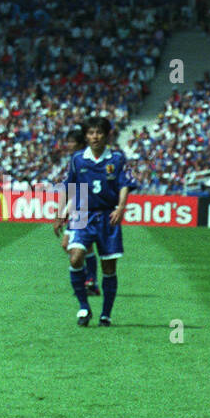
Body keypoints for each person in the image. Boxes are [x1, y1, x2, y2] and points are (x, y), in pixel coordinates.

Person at [53, 117, 137, 326]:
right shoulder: (78, 159)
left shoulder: (117, 158)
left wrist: (120, 207)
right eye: (90, 133)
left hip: (107, 215)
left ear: (107, 134)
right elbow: (68, 185)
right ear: (86, 136)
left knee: (109, 268)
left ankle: (106, 314)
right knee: (75, 258)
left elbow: (125, 184)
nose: (94, 136)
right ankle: (83, 308)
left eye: (98, 132)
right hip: (82, 214)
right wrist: (60, 212)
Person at [56, 127, 99, 297]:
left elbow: (79, 188)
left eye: (72, 141)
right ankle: (89, 279)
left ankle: (90, 281)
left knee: (80, 246)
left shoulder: (83, 160)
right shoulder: (76, 160)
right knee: (69, 245)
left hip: (85, 208)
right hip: (78, 207)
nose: (69, 145)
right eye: (68, 141)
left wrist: (64, 211)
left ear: (81, 143)